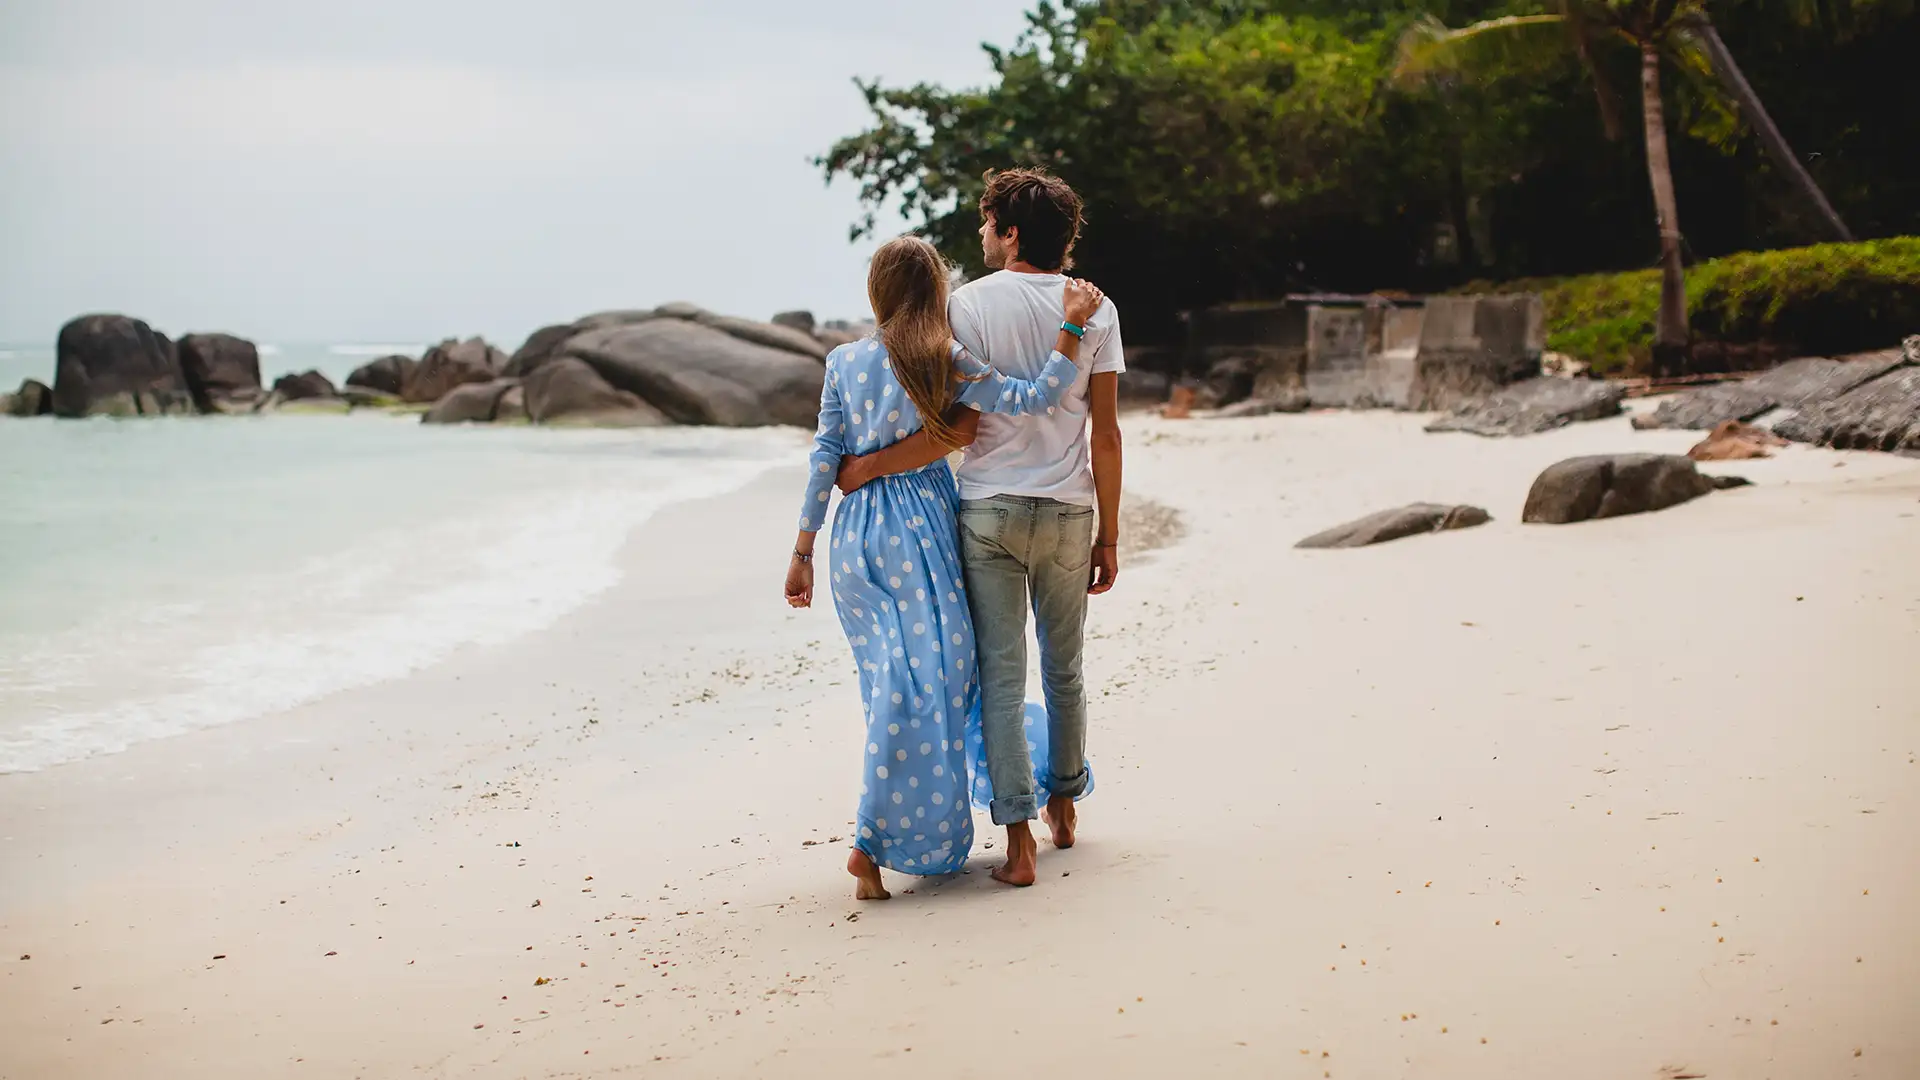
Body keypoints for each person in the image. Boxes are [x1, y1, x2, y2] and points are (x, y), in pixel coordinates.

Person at [784, 234, 1106, 901]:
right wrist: (1072, 325)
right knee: (941, 682)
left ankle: (883, 844)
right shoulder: (940, 357)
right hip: (918, 532)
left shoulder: (844, 361)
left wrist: (804, 550)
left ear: (877, 291)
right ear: (935, 292)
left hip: (853, 542)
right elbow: (1035, 395)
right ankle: (874, 842)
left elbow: (825, 458)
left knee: (891, 685)